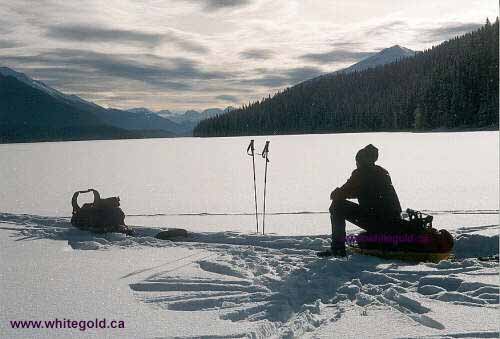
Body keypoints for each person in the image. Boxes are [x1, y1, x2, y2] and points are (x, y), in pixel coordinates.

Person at [319, 144, 402, 257]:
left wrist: (336, 193)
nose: (356, 164)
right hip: (391, 221)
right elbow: (365, 191)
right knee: (363, 238)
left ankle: (338, 249)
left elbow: (343, 193)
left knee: (337, 206)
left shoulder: (361, 173)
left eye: (357, 161)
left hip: (378, 220)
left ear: (361, 161)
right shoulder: (382, 172)